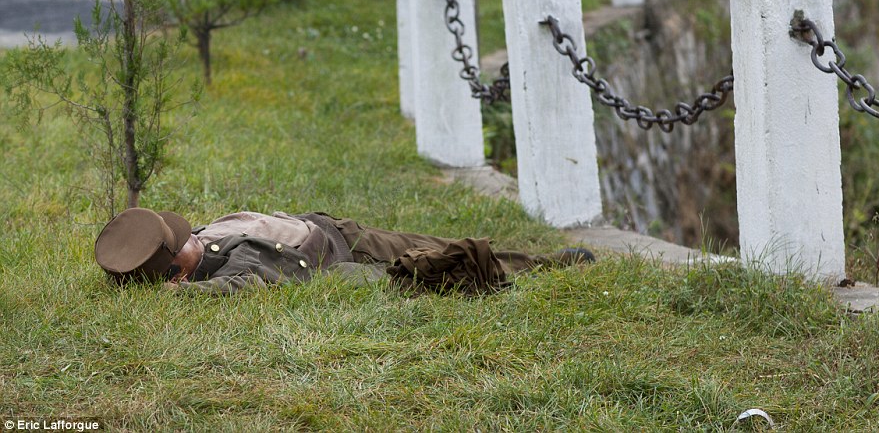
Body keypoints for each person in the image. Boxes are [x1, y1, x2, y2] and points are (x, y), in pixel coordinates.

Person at [94, 207, 595, 295]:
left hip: (336, 229)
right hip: (338, 265)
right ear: (175, 273)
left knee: (432, 243)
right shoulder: (224, 272)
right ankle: (537, 271)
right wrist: (180, 295)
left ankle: (545, 260)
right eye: (180, 244)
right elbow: (245, 284)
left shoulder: (204, 237)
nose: (192, 237)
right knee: (447, 264)